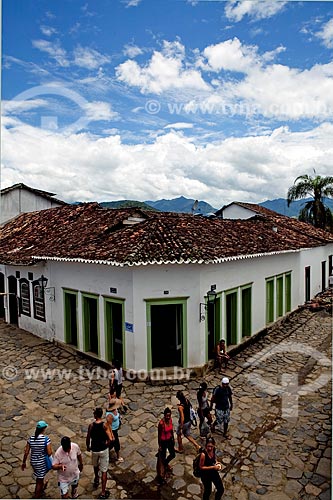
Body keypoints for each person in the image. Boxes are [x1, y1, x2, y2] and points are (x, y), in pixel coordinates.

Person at [86, 407, 113, 499]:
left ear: (95, 415)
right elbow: (110, 438)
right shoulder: (104, 425)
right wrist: (107, 444)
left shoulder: (91, 426)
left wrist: (87, 446)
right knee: (104, 470)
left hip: (95, 449)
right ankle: (103, 492)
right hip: (103, 449)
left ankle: (96, 478)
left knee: (95, 465)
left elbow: (88, 437)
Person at [21, 420, 53, 499]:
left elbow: (26, 452)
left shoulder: (31, 439)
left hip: (34, 462)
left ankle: (41, 487)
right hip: (41, 462)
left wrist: (24, 462)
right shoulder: (46, 439)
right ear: (44, 429)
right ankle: (37, 495)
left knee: (40, 476)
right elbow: (49, 453)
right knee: (39, 480)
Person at [157, 407, 176, 479]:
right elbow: (159, 435)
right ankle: (163, 472)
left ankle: (165, 463)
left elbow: (171, 430)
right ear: (164, 415)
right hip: (163, 442)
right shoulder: (161, 423)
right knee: (163, 456)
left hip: (169, 440)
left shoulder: (170, 420)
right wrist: (160, 445)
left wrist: (173, 439)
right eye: (167, 416)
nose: (168, 417)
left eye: (169, 416)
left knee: (173, 454)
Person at [105, 398, 123, 463]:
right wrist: (111, 434)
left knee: (111, 443)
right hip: (112, 430)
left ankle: (106, 451)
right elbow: (108, 425)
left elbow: (117, 415)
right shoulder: (109, 415)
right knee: (116, 443)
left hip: (116, 428)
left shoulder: (115, 410)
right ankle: (118, 456)